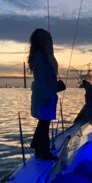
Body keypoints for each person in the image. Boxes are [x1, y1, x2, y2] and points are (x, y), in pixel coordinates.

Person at [28, 28, 60, 160]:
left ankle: (38, 148)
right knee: (44, 123)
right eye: (46, 38)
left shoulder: (44, 55)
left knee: (44, 123)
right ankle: (43, 151)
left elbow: (48, 77)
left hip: (47, 94)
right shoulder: (40, 56)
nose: (48, 40)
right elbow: (41, 79)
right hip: (44, 96)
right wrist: (46, 96)